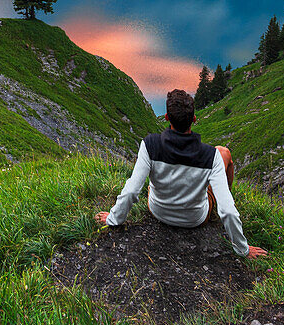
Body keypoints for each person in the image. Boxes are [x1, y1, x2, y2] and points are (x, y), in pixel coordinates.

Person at [95, 88, 268, 259]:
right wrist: (243, 249)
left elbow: (132, 190)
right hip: (196, 218)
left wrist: (113, 219)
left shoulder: (150, 145)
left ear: (167, 118)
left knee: (151, 182)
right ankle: (223, 194)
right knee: (225, 152)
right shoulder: (211, 156)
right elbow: (228, 211)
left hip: (158, 211)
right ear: (193, 119)